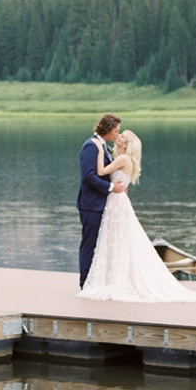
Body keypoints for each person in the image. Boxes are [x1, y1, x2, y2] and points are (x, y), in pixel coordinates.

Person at [79, 127, 196, 303]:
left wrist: (99, 150)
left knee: (114, 240)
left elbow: (100, 172)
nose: (118, 135)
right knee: (118, 240)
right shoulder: (124, 159)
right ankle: (113, 278)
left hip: (115, 201)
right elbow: (125, 186)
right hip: (119, 201)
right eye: (118, 133)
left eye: (122, 135)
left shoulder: (122, 158)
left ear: (126, 144)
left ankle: (108, 280)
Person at [76, 114, 122, 287]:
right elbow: (88, 176)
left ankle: (98, 281)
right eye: (116, 131)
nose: (117, 134)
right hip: (91, 205)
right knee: (89, 244)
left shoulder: (104, 147)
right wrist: (111, 187)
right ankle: (85, 283)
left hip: (103, 204)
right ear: (108, 130)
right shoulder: (90, 146)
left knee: (101, 245)